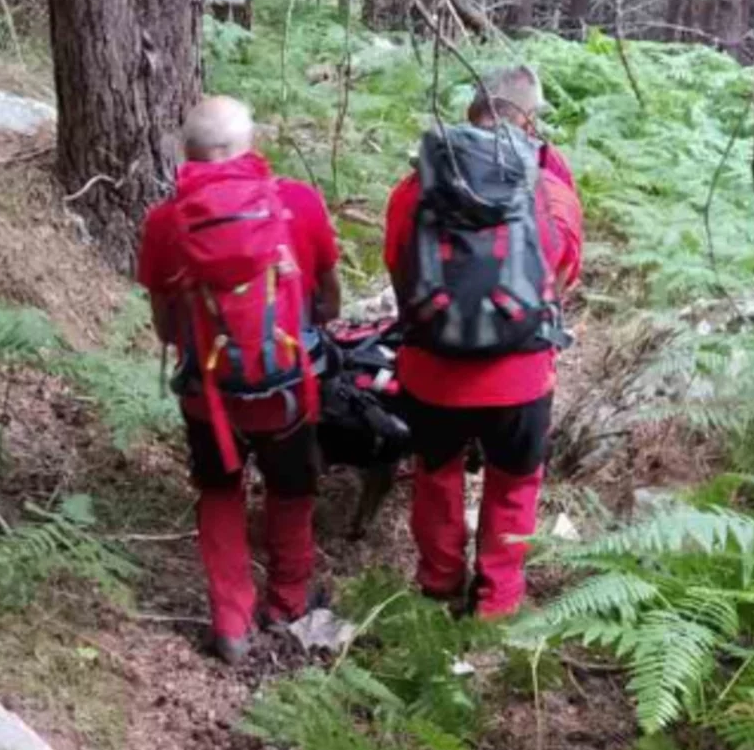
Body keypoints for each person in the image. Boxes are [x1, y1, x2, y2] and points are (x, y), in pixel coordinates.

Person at [138, 96, 343, 663]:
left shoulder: (165, 223)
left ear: (189, 154)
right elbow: (329, 296)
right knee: (292, 490)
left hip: (209, 400)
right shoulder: (297, 203)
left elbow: (165, 325)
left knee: (220, 494)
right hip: (287, 392)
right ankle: (289, 602)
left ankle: (230, 624)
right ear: (252, 145)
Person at [383, 66, 583, 620]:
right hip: (520, 377)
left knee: (436, 476)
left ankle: (439, 587)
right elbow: (562, 276)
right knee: (515, 486)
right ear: (529, 119)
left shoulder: (415, 188)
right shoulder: (550, 191)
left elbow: (398, 263)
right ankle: (496, 605)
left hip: (431, 372)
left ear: (472, 112)